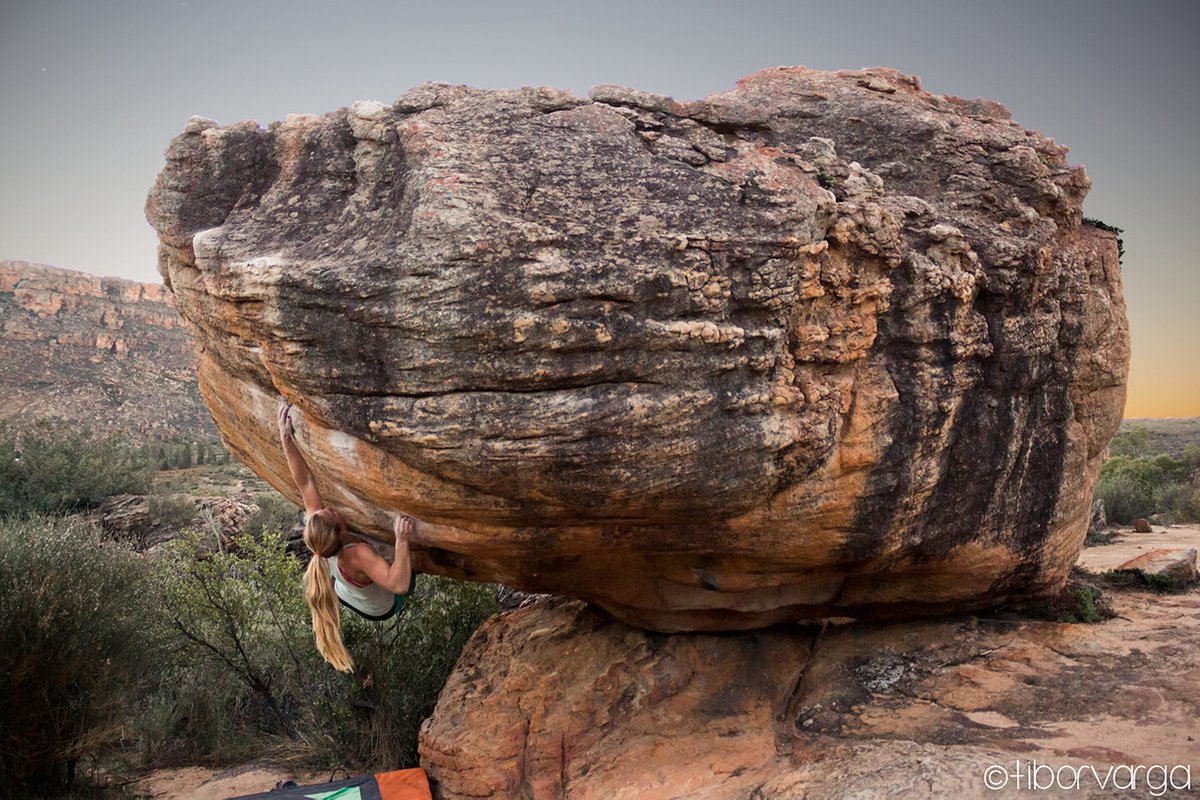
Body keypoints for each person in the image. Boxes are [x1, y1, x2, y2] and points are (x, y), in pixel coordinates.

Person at [277, 403, 418, 672]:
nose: (330, 509)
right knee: (409, 571)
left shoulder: (319, 534)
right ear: (342, 532)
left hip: (345, 591)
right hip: (380, 607)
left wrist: (286, 438)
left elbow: (305, 482)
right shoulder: (356, 554)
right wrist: (401, 540)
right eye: (331, 513)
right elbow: (398, 585)